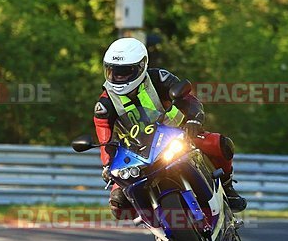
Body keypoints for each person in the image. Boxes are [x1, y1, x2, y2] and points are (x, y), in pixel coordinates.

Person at [93, 37, 247, 222]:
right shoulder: (104, 104)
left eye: (124, 72)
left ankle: (228, 188)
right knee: (118, 204)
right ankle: (155, 224)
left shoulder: (159, 78)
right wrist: (108, 166)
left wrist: (194, 120)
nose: (117, 77)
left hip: (178, 135)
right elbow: (104, 138)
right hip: (136, 153)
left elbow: (188, 99)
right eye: (112, 71)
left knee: (220, 144)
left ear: (141, 67)